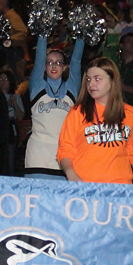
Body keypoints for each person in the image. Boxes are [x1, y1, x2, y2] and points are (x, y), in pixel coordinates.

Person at [57, 57, 133, 185]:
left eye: (97, 79)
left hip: (120, 187)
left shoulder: (131, 114)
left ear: (112, 81)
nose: (91, 84)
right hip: (85, 185)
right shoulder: (78, 112)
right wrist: (71, 173)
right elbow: (65, 150)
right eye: (88, 79)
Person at [24, 34, 84, 179]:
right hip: (37, 155)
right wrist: (43, 33)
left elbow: (76, 61)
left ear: (64, 67)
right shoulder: (37, 87)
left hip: (65, 156)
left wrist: (82, 34)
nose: (54, 66)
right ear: (44, 67)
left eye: (58, 63)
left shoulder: (72, 89)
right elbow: (38, 59)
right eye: (50, 62)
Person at [0, 67, 25, 176]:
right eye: (0, 79)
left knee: (10, 158)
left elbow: (20, 117)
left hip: (10, 129)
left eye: (6, 80)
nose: (3, 82)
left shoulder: (15, 96)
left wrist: (15, 103)